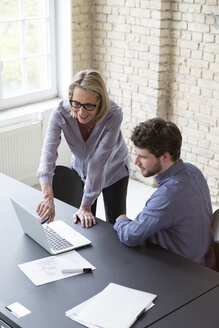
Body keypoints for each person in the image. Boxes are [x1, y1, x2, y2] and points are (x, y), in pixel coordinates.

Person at [114, 118, 216, 269]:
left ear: (165, 156)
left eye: (143, 156)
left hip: (185, 271)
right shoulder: (192, 170)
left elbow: (131, 236)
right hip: (203, 261)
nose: (136, 162)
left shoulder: (169, 194)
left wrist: (121, 220)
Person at [36, 69, 129, 228]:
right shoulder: (60, 113)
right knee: (82, 223)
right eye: (76, 104)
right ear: (70, 97)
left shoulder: (113, 114)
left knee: (115, 226)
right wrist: (47, 196)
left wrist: (86, 206)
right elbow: (48, 153)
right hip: (82, 171)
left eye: (89, 106)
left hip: (114, 171)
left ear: (100, 101)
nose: (82, 112)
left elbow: (98, 162)